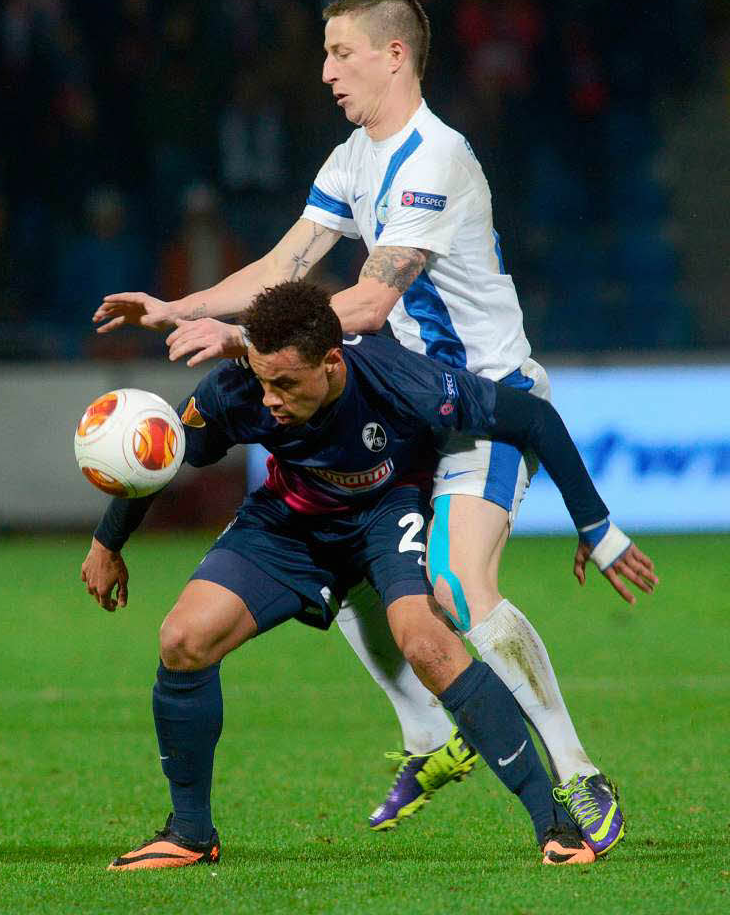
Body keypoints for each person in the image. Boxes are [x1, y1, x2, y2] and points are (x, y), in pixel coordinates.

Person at [92, 0, 649, 855]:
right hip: (407, 399)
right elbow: (287, 262)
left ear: (395, 55)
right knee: (353, 542)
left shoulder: (435, 159)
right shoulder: (355, 157)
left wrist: (242, 338)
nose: (325, 72)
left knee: (458, 587)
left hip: (481, 399)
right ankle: (433, 731)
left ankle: (576, 772)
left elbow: (364, 299)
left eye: (340, 54)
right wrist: (180, 306)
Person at [82, 283, 656, 870]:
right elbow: (158, 455)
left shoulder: (399, 379)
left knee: (429, 645)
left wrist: (594, 525)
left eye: (285, 383)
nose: (270, 398)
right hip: (290, 520)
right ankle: (190, 834)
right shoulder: (236, 389)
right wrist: (108, 541)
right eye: (262, 380)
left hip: (387, 516)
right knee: (183, 640)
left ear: (332, 362)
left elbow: (532, 418)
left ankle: (554, 824)